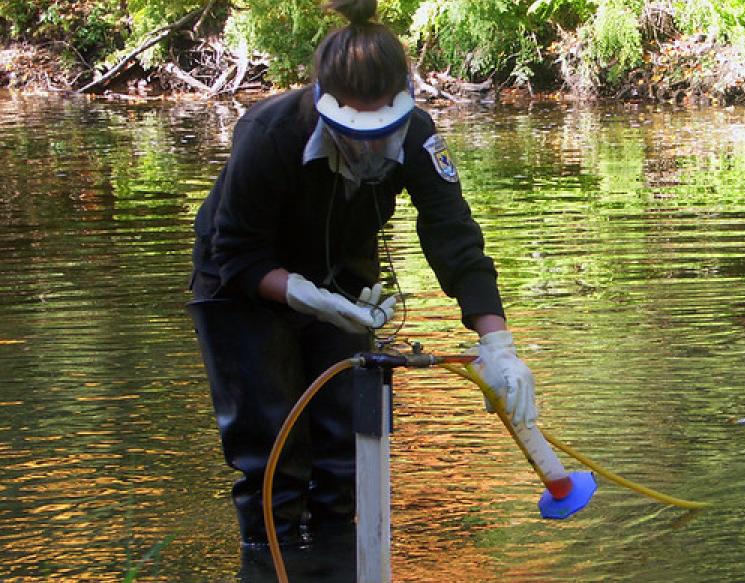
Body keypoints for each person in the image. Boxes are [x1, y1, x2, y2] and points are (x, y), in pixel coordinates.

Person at [187, 0, 537, 547]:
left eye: (383, 129)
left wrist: (500, 346)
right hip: (242, 288)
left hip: (345, 284)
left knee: (349, 447)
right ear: (326, 105)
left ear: (404, 105)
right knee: (274, 454)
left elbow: (455, 240)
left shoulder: (420, 138)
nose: (370, 146)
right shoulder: (268, 133)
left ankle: (337, 582)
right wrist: (302, 294)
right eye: (355, 130)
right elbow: (236, 251)